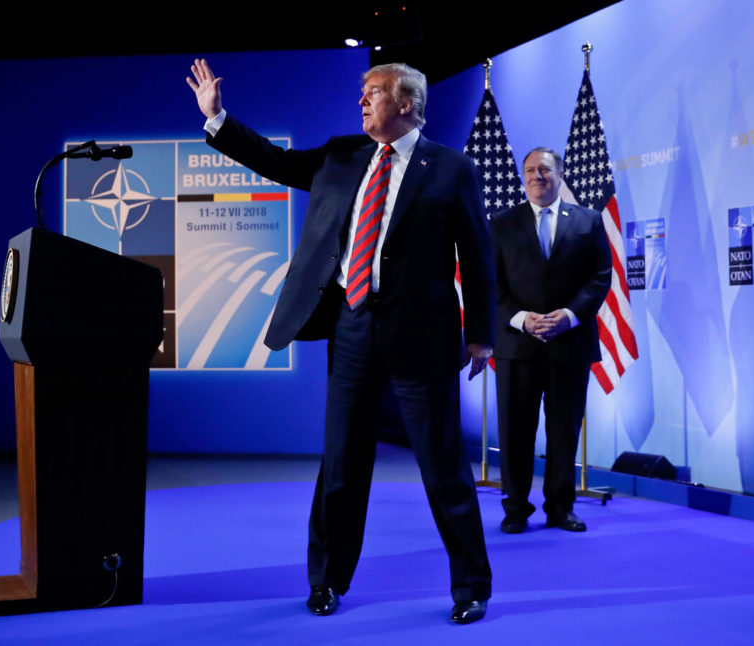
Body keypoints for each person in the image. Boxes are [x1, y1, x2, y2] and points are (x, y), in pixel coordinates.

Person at [186, 58, 495, 625]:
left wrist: (480, 336)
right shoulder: (342, 154)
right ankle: (327, 580)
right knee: (342, 463)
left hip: (421, 338)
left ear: (406, 103)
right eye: (362, 91)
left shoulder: (451, 168)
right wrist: (218, 119)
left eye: (374, 92)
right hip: (351, 328)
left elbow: (477, 256)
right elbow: (274, 161)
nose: (362, 100)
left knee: (443, 467)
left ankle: (471, 587)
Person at [489, 147, 611, 534]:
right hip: (517, 346)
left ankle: (560, 508)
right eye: (529, 170)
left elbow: (600, 277)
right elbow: (491, 284)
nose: (536, 176)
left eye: (544, 169)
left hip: (569, 345)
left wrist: (570, 317)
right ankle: (516, 509)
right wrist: (524, 320)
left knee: (563, 431)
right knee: (515, 432)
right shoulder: (501, 223)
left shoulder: (589, 221)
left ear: (560, 175)